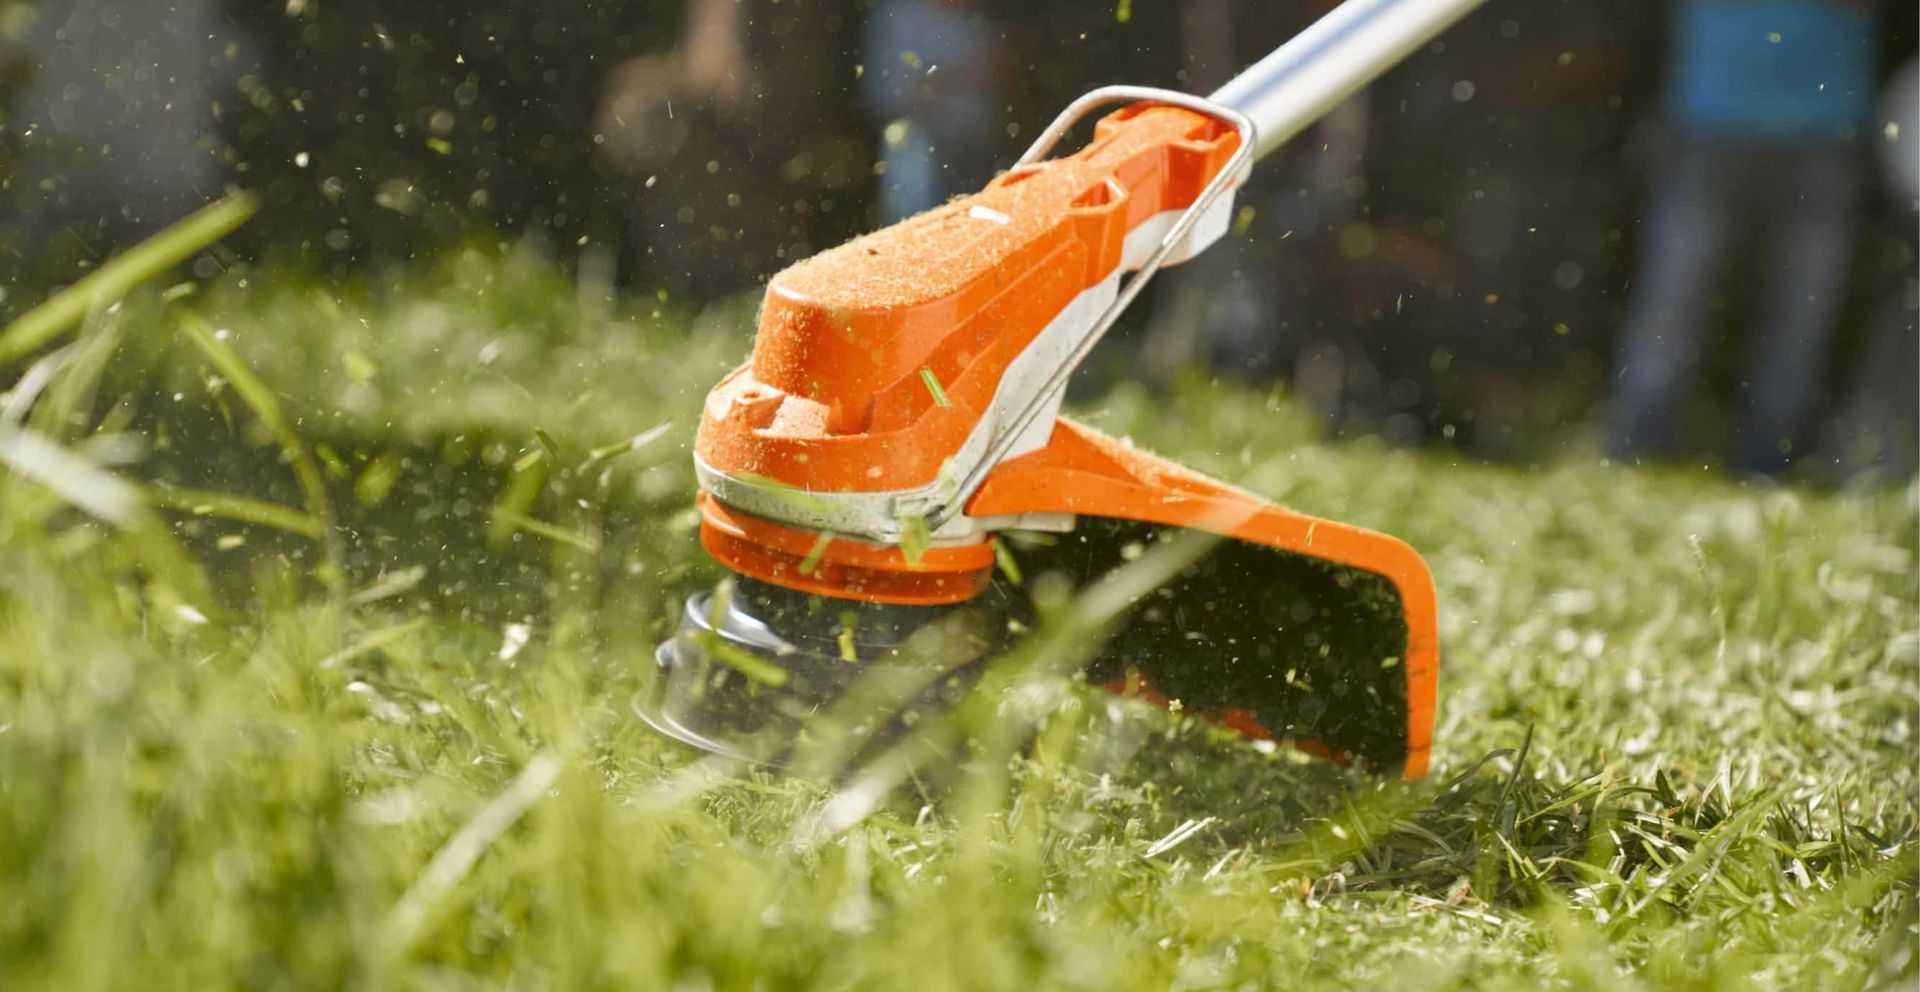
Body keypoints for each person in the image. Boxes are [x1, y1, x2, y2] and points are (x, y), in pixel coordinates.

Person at [1607, 0, 1883, 477]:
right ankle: (1635, 455)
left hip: (1825, 130)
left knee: (1803, 310)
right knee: (1673, 301)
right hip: (1710, 121)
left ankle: (1770, 466)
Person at [862, 0, 1003, 222]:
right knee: (916, 223)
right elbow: (890, 93)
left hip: (972, 146)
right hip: (918, 142)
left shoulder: (974, 20)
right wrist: (961, 74)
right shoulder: (900, 17)